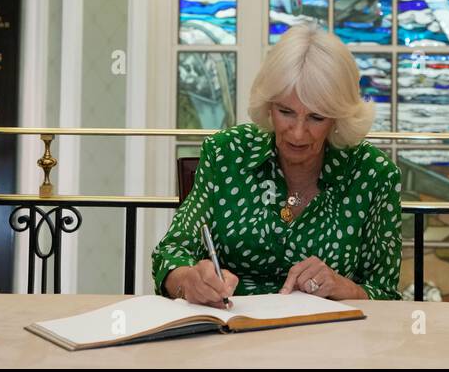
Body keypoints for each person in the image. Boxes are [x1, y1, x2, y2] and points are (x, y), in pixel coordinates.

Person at [153, 23, 402, 306]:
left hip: (329, 340)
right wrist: (189, 281)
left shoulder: (373, 174)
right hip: (233, 332)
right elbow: (170, 253)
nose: (297, 132)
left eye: (316, 118)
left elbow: (386, 294)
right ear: (268, 105)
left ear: (338, 118)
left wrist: (343, 287)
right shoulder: (227, 153)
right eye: (286, 112)